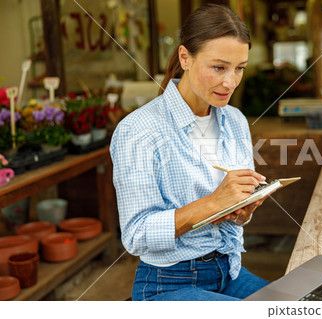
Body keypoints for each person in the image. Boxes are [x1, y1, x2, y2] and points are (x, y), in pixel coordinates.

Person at [110, 4, 269, 301]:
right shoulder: (139, 130)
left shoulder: (234, 120)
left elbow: (233, 216)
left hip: (230, 271)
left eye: (239, 69)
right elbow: (136, 235)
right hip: (168, 283)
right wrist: (214, 203)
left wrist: (241, 211)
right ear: (185, 57)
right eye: (219, 67)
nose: (231, 82)